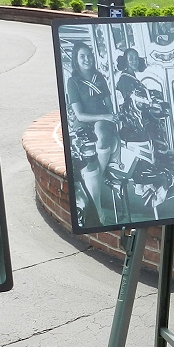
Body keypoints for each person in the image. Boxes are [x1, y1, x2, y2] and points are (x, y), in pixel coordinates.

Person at [66, 43, 117, 221]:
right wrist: (105, 115)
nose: (87, 59)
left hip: (102, 120)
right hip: (84, 123)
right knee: (96, 135)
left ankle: (98, 178)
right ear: (76, 59)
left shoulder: (99, 77)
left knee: (103, 130)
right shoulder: (73, 82)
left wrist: (112, 117)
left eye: (89, 55)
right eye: (82, 56)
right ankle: (98, 211)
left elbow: (108, 103)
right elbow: (79, 114)